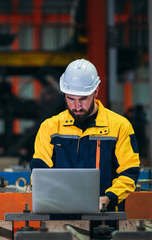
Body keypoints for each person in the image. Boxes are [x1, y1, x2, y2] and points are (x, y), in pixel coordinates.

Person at [30, 59, 140, 212]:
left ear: (95, 91)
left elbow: (129, 171)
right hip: (60, 216)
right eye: (70, 99)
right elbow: (40, 170)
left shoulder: (119, 126)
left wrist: (109, 198)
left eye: (83, 99)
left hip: (105, 217)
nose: (76, 106)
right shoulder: (50, 127)